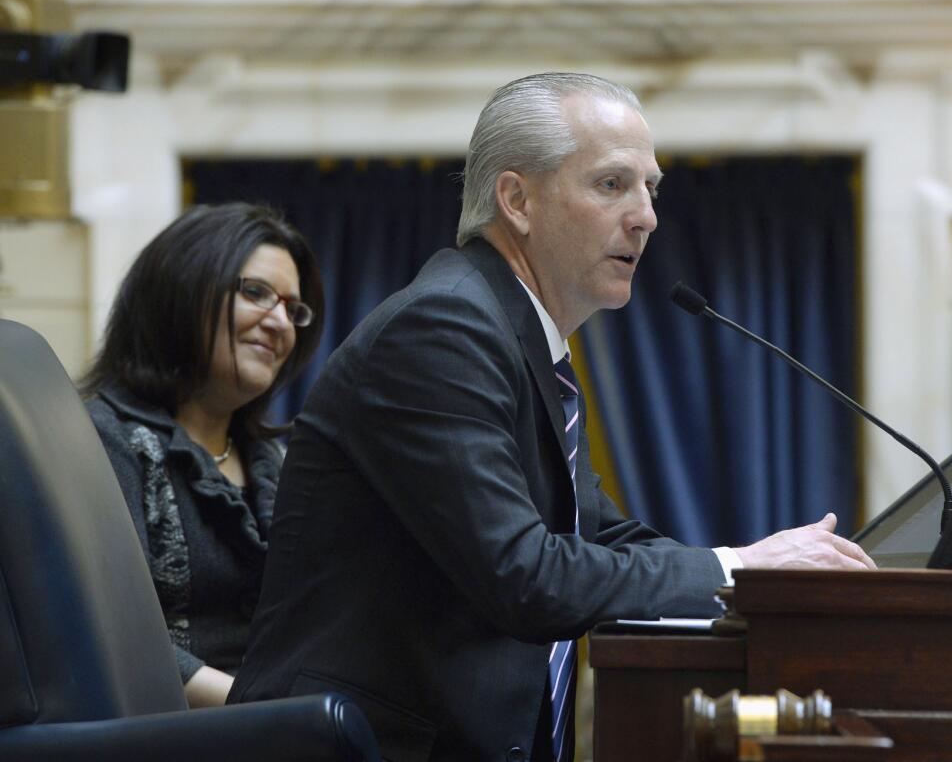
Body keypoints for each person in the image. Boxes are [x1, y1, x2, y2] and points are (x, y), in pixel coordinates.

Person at [228, 73, 874, 760]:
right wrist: (737, 565)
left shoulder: (523, 342)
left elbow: (594, 532)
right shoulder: (443, 327)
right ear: (517, 200)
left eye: (650, 187)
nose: (646, 215)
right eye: (611, 184)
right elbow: (525, 573)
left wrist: (765, 573)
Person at [80, 202, 325, 708]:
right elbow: (103, 629)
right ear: (182, 291)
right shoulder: (101, 440)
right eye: (256, 293)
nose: (280, 322)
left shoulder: (275, 461)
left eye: (292, 308)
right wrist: (262, 708)